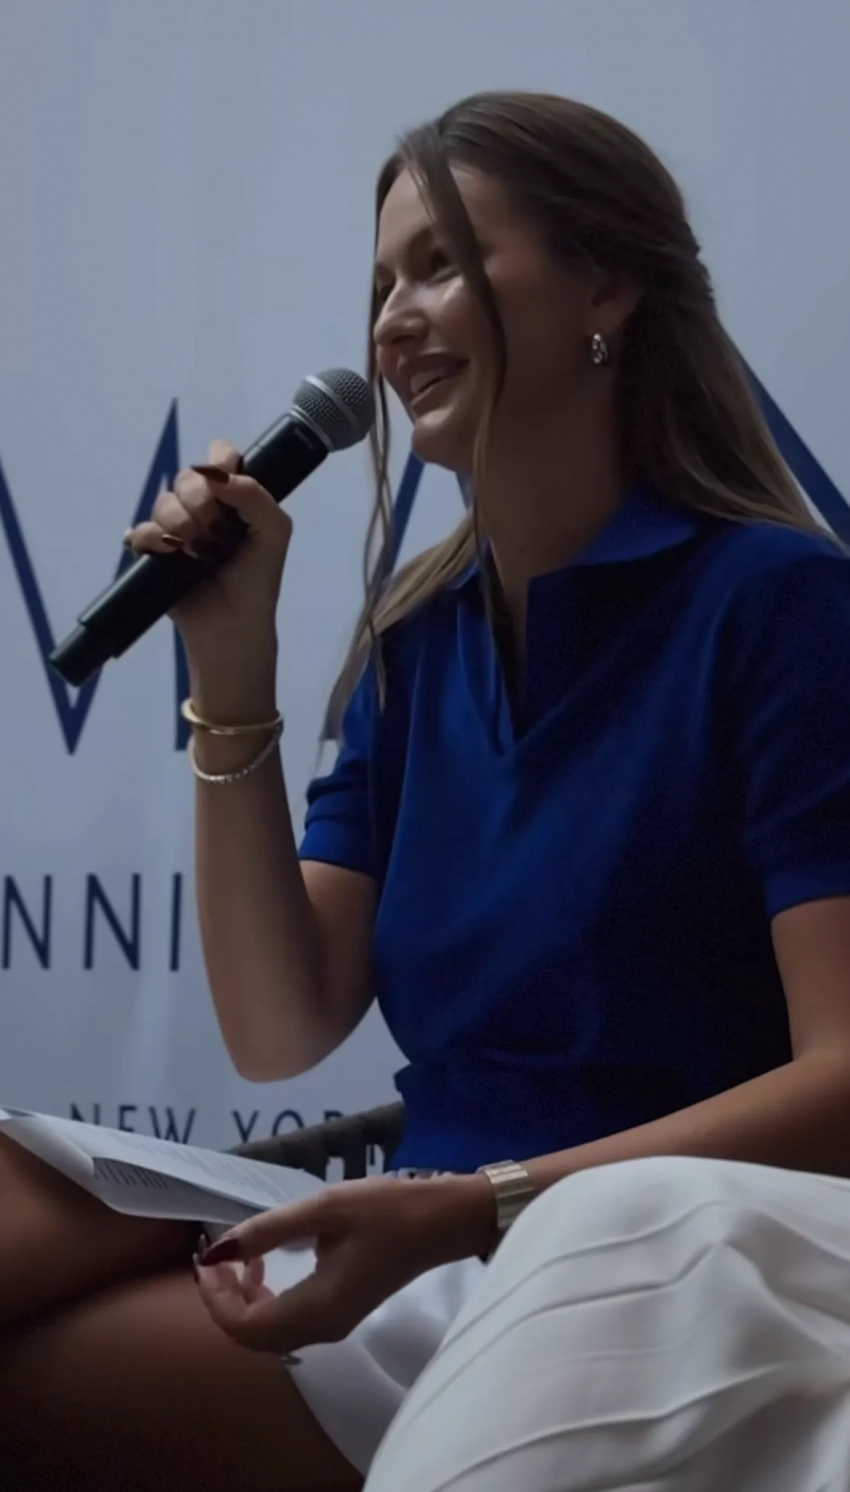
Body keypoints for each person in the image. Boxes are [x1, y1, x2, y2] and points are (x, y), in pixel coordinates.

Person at [3, 87, 850, 1491]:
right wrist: (231, 664)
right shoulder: (421, 638)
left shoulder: (780, 608)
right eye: (382, 282)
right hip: (420, 1238)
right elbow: (279, 1024)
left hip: (635, 1263)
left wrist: (475, 1208)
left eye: (443, 264)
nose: (394, 322)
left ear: (608, 288)